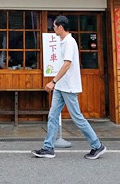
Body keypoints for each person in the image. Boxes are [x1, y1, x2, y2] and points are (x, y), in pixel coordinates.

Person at [32, 15, 107, 160]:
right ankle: (48, 148)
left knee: (77, 117)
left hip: (69, 86)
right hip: (61, 86)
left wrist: (53, 81)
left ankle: (97, 145)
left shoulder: (69, 42)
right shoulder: (63, 42)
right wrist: (56, 83)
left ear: (60, 27)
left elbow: (67, 64)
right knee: (52, 116)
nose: (53, 29)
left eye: (54, 26)